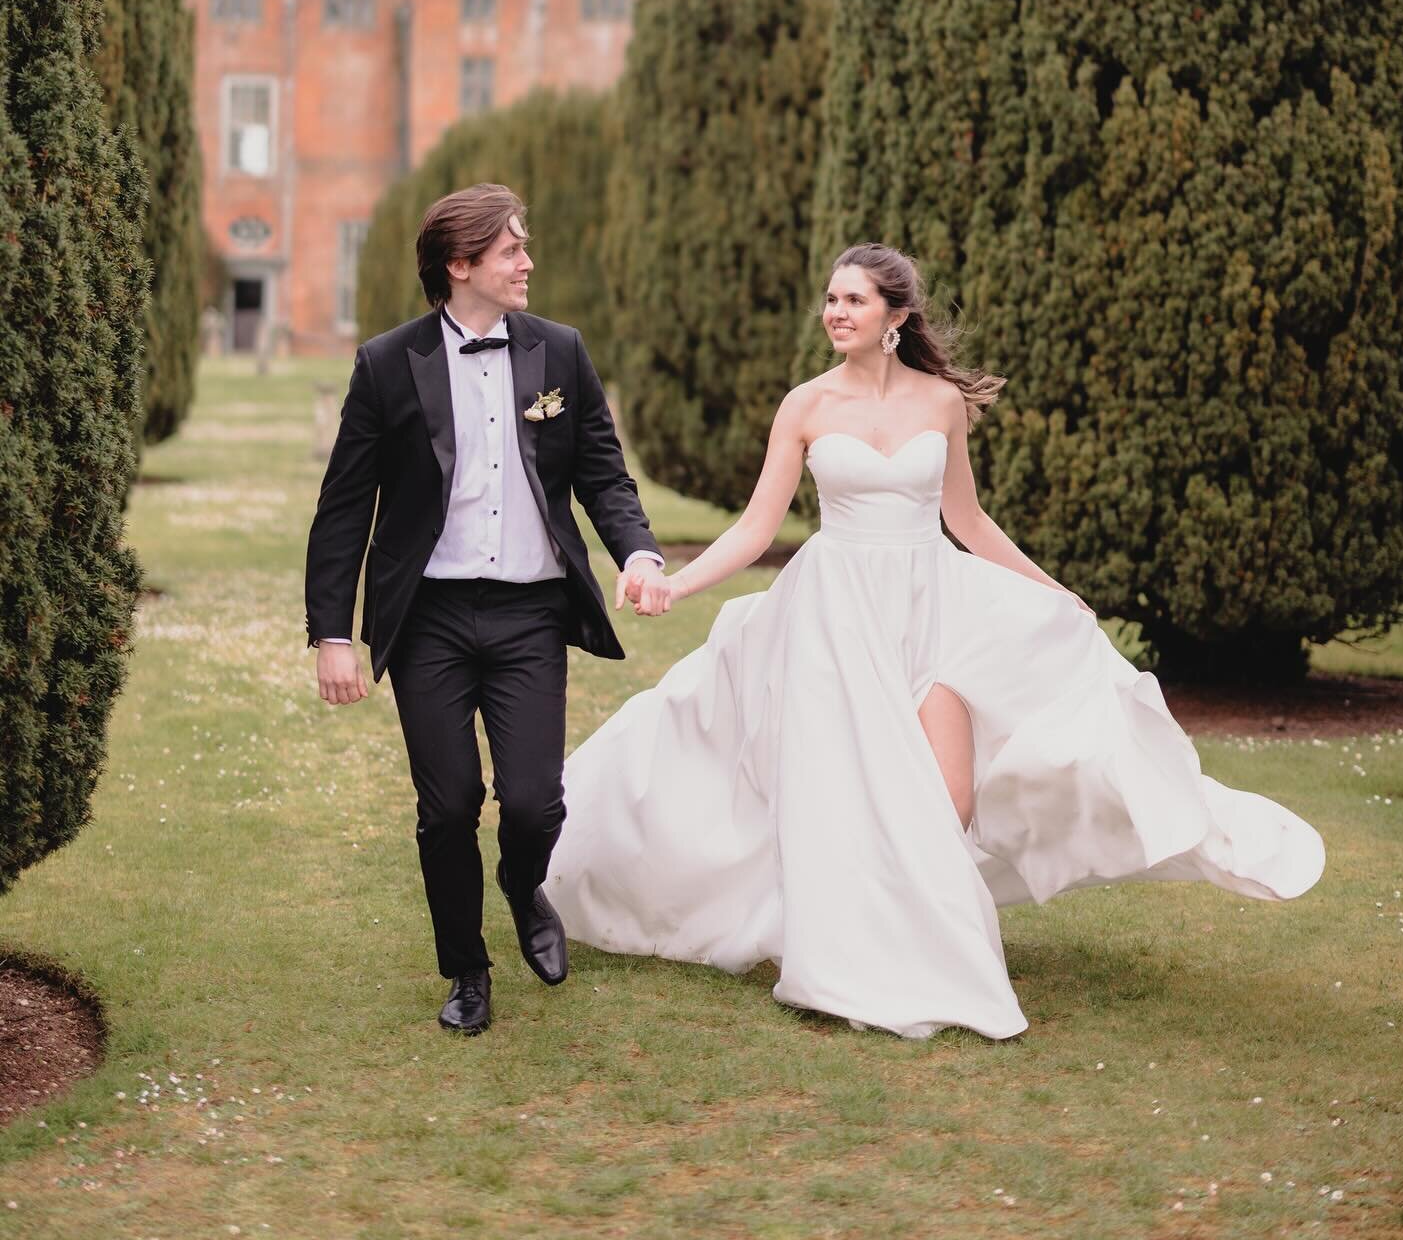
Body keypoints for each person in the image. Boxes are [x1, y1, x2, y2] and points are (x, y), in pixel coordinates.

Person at [545, 243, 1325, 1040]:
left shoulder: (941, 402)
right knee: (838, 792)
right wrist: (677, 581)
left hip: (932, 606)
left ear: (897, 316)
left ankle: (899, 928)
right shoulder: (806, 405)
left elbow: (968, 520)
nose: (835, 313)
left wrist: (1052, 591)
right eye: (830, 299)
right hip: (834, 614)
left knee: (949, 796)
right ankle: (848, 955)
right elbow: (756, 525)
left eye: (852, 300)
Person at [303, 184, 664, 1035]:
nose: (528, 260)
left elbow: (603, 474)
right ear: (460, 265)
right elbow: (345, 508)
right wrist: (332, 633)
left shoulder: (561, 353)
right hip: (428, 616)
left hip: (531, 613)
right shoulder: (388, 364)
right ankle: (467, 968)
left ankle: (520, 881)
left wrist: (640, 551)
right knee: (449, 804)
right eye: (511, 249)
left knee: (536, 801)